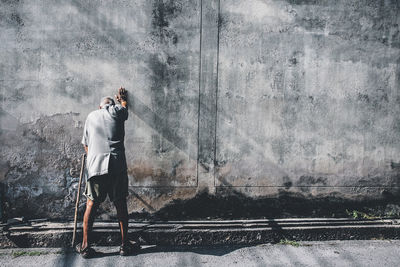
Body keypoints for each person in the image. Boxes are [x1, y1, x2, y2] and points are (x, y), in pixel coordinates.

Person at [76, 87, 137, 258]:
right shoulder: (116, 110)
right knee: (120, 204)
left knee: (91, 205)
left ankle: (85, 246)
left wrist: (94, 156)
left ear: (99, 107)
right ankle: (125, 245)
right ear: (110, 105)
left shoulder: (91, 116)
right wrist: (123, 99)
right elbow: (124, 109)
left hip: (96, 166)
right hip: (116, 165)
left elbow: (86, 145)